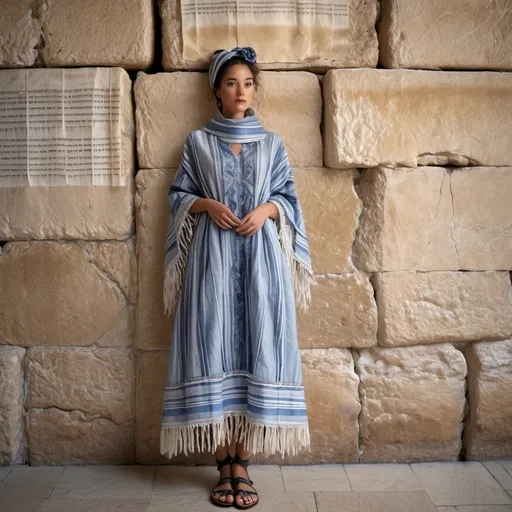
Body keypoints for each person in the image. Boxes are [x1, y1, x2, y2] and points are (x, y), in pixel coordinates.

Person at [160, 46, 314, 509]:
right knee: (211, 347)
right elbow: (178, 195)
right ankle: (220, 460)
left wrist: (267, 209)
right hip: (212, 261)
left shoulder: (272, 144)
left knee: (256, 347)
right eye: (231, 83)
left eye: (248, 83)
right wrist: (205, 205)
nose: (241, 91)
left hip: (260, 263)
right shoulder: (197, 143)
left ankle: (242, 462)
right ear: (216, 91)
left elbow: (287, 197)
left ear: (255, 89)